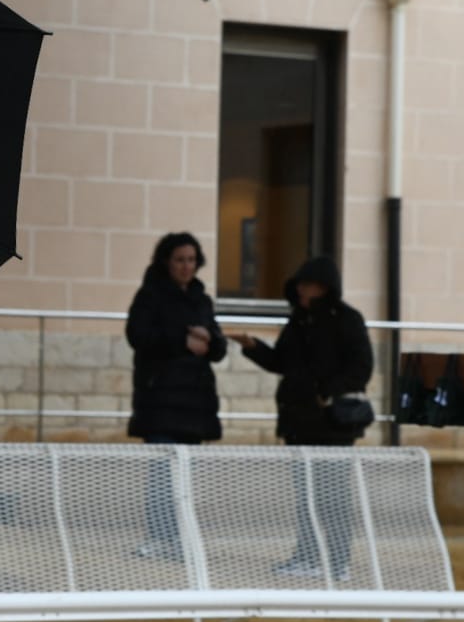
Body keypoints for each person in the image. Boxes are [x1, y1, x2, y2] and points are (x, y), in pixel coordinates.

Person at [233, 255, 373, 580]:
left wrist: (326, 393)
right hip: (297, 421)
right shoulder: (298, 321)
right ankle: (308, 556)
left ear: (323, 287)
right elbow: (282, 362)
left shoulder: (348, 320)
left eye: (306, 284)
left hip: (332, 425)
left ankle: (339, 562)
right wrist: (253, 346)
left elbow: (361, 368)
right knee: (306, 496)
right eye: (298, 284)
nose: (300, 290)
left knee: (334, 496)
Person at [125, 232, 226, 559]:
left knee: (185, 475)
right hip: (161, 399)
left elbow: (218, 346)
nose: (186, 267)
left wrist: (209, 340)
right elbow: (138, 335)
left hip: (194, 402)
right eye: (180, 260)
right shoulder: (151, 295)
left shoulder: (201, 299)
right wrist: (181, 340)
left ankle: (180, 537)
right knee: (160, 474)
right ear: (166, 261)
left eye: (191, 260)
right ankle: (158, 536)